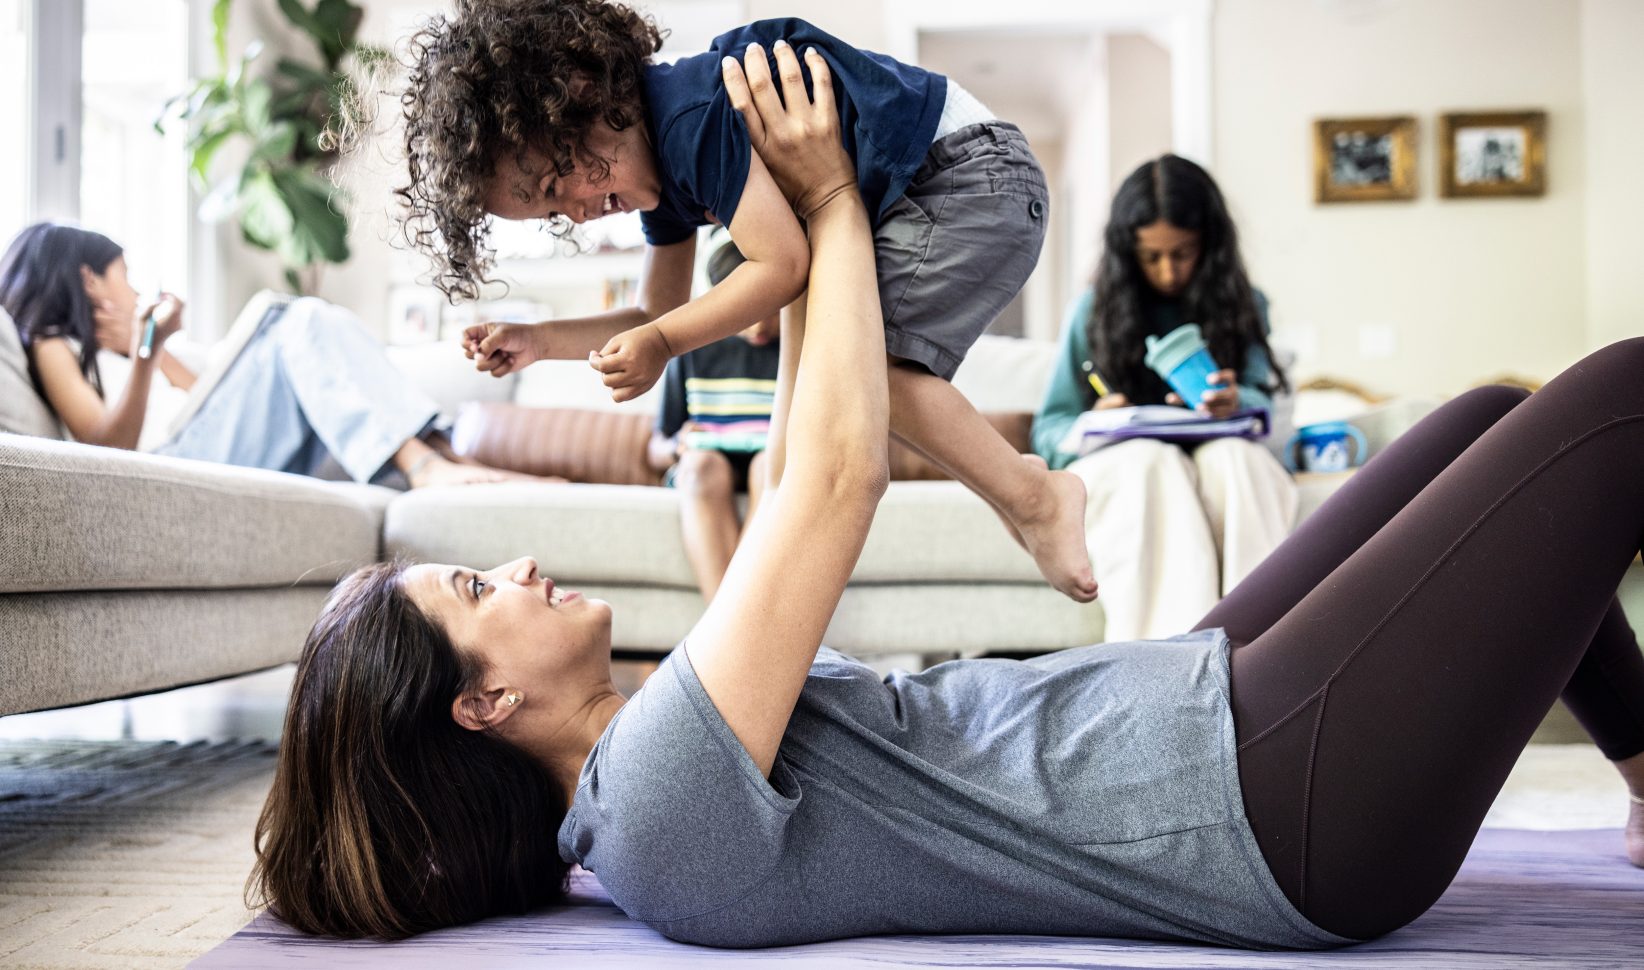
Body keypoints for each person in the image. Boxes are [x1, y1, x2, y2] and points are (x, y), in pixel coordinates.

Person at [251, 45, 1644, 948]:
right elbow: (837, 474)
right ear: (479, 705)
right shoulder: (655, 799)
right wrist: (832, 198)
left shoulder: (657, 755)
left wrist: (791, 242)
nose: (525, 566)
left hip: (1186, 707)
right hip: (1263, 801)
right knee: (1621, 401)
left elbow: (808, 441)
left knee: (1492, 422)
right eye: (481, 593)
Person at [394, 0, 1096, 603]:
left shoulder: (689, 120)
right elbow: (650, 315)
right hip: (926, 193)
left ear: (582, 95)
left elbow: (782, 265)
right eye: (551, 217)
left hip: (968, 178)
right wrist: (543, 341)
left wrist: (665, 345)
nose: (575, 216)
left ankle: (1035, 497)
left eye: (555, 186)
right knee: (824, 406)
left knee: (862, 370)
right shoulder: (668, 175)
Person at [0, 223, 528, 488]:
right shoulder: (51, 342)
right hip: (162, 469)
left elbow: (192, 397)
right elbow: (106, 446)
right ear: (88, 279)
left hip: (196, 441)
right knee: (294, 320)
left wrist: (148, 352)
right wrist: (146, 351)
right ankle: (429, 463)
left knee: (313, 340)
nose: (134, 288)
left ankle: (456, 464)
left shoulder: (120, 345)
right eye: (124, 275)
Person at [1033, 156, 1297, 641]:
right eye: (1151, 256)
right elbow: (1050, 428)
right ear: (1126, 250)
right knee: (1150, 466)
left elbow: (1267, 405)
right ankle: (1167, 671)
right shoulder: (1092, 311)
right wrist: (1094, 420)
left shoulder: (1243, 304)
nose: (1169, 270)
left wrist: (1239, 400)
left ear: (1210, 245)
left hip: (1220, 447)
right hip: (1129, 459)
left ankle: (1265, 647)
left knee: (1239, 464)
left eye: (1183, 253)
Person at [648, 236, 779, 603]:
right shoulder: (691, 348)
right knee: (701, 467)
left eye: (770, 308)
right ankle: (735, 627)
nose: (758, 326)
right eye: (744, 311)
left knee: (773, 464)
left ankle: (732, 634)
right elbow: (655, 446)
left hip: (770, 460)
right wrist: (678, 445)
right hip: (706, 463)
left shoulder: (799, 347)